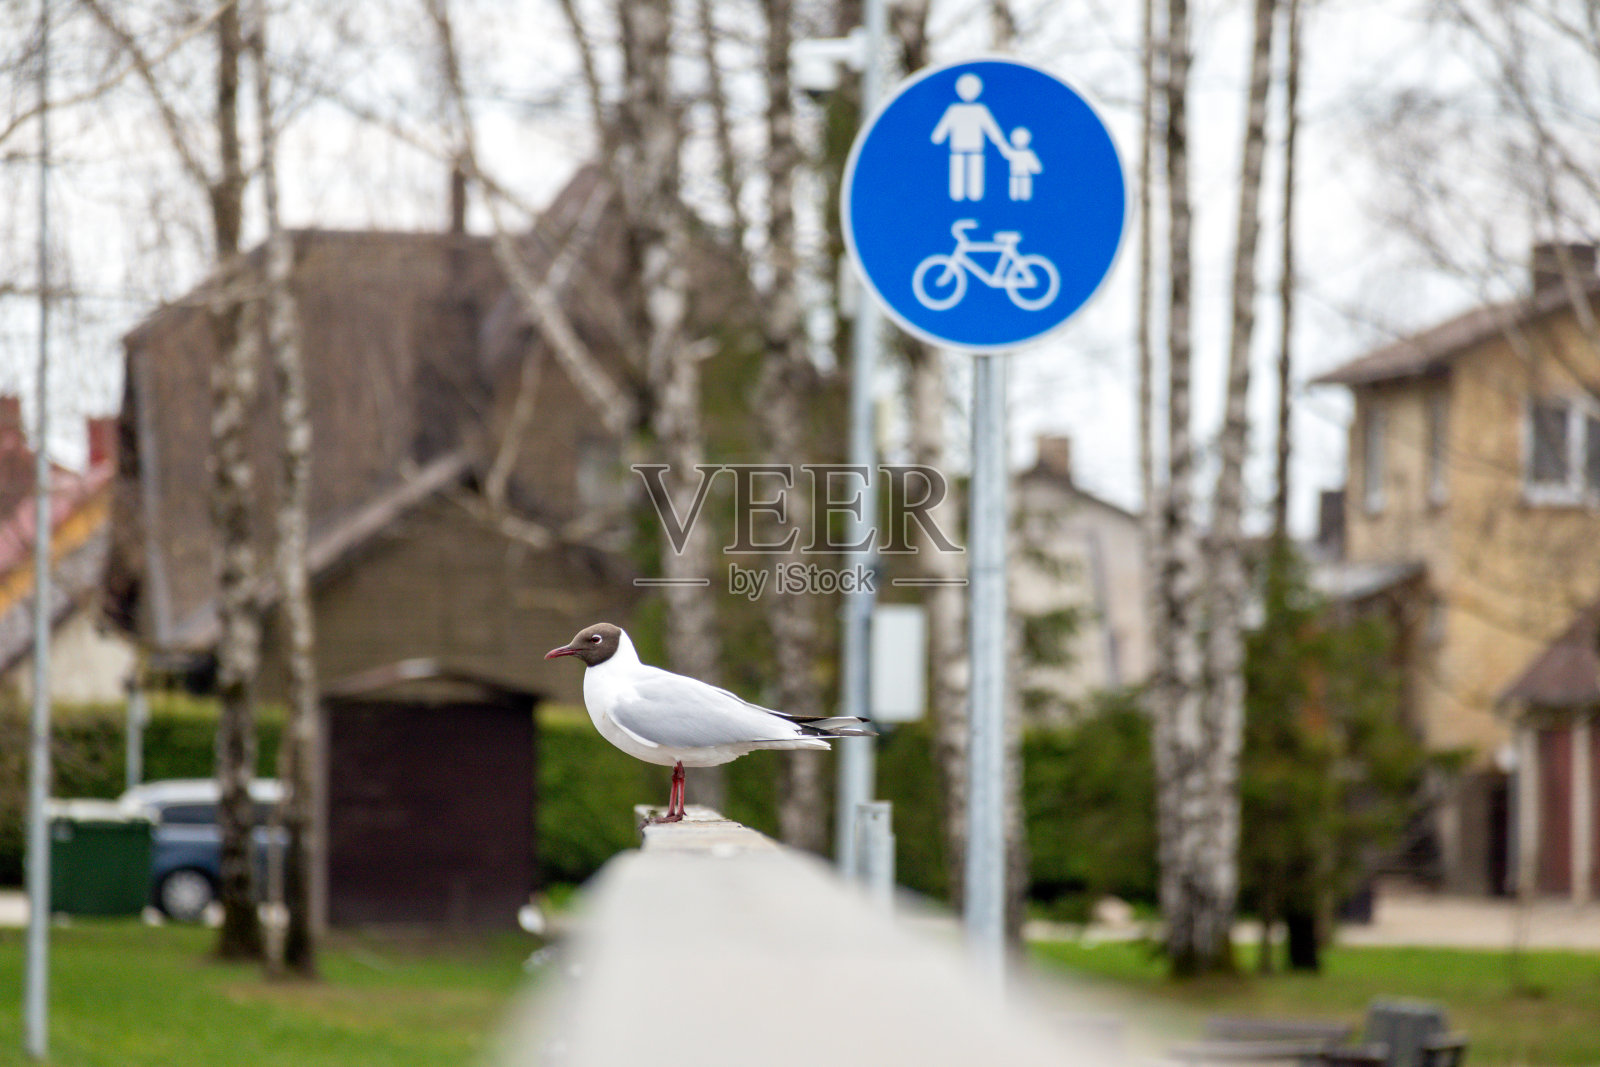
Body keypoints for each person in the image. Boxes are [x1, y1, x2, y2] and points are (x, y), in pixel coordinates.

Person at [931, 73, 1011, 201]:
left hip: (975, 148)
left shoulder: (980, 110)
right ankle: (958, 196)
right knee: (958, 171)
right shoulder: (954, 109)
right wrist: (938, 137)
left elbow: (991, 129)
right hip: (958, 148)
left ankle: (975, 196)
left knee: (975, 171)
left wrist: (1001, 144)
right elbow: (942, 129)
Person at [1007, 127, 1041, 201]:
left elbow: (1035, 166)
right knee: (1014, 190)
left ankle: (1024, 198)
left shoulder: (1028, 153)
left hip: (1025, 175)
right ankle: (1015, 198)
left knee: (1025, 190)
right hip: (1014, 175)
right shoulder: (1013, 152)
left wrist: (1035, 168)